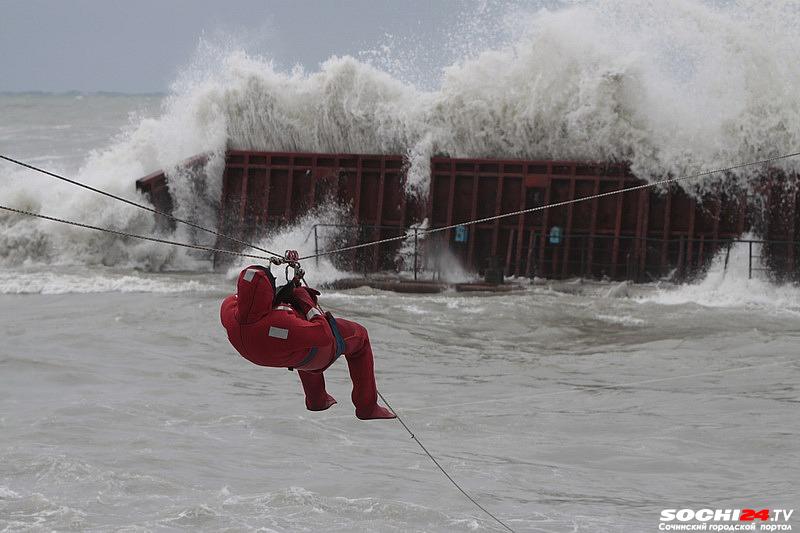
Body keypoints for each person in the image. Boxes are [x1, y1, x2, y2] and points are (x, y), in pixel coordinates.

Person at [220, 265, 396, 420]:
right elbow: (324, 334)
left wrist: (286, 296)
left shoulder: (228, 311)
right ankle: (367, 407)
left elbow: (249, 299)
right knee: (360, 338)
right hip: (312, 351)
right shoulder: (281, 324)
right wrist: (305, 299)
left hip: (263, 352)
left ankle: (316, 400)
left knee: (298, 334)